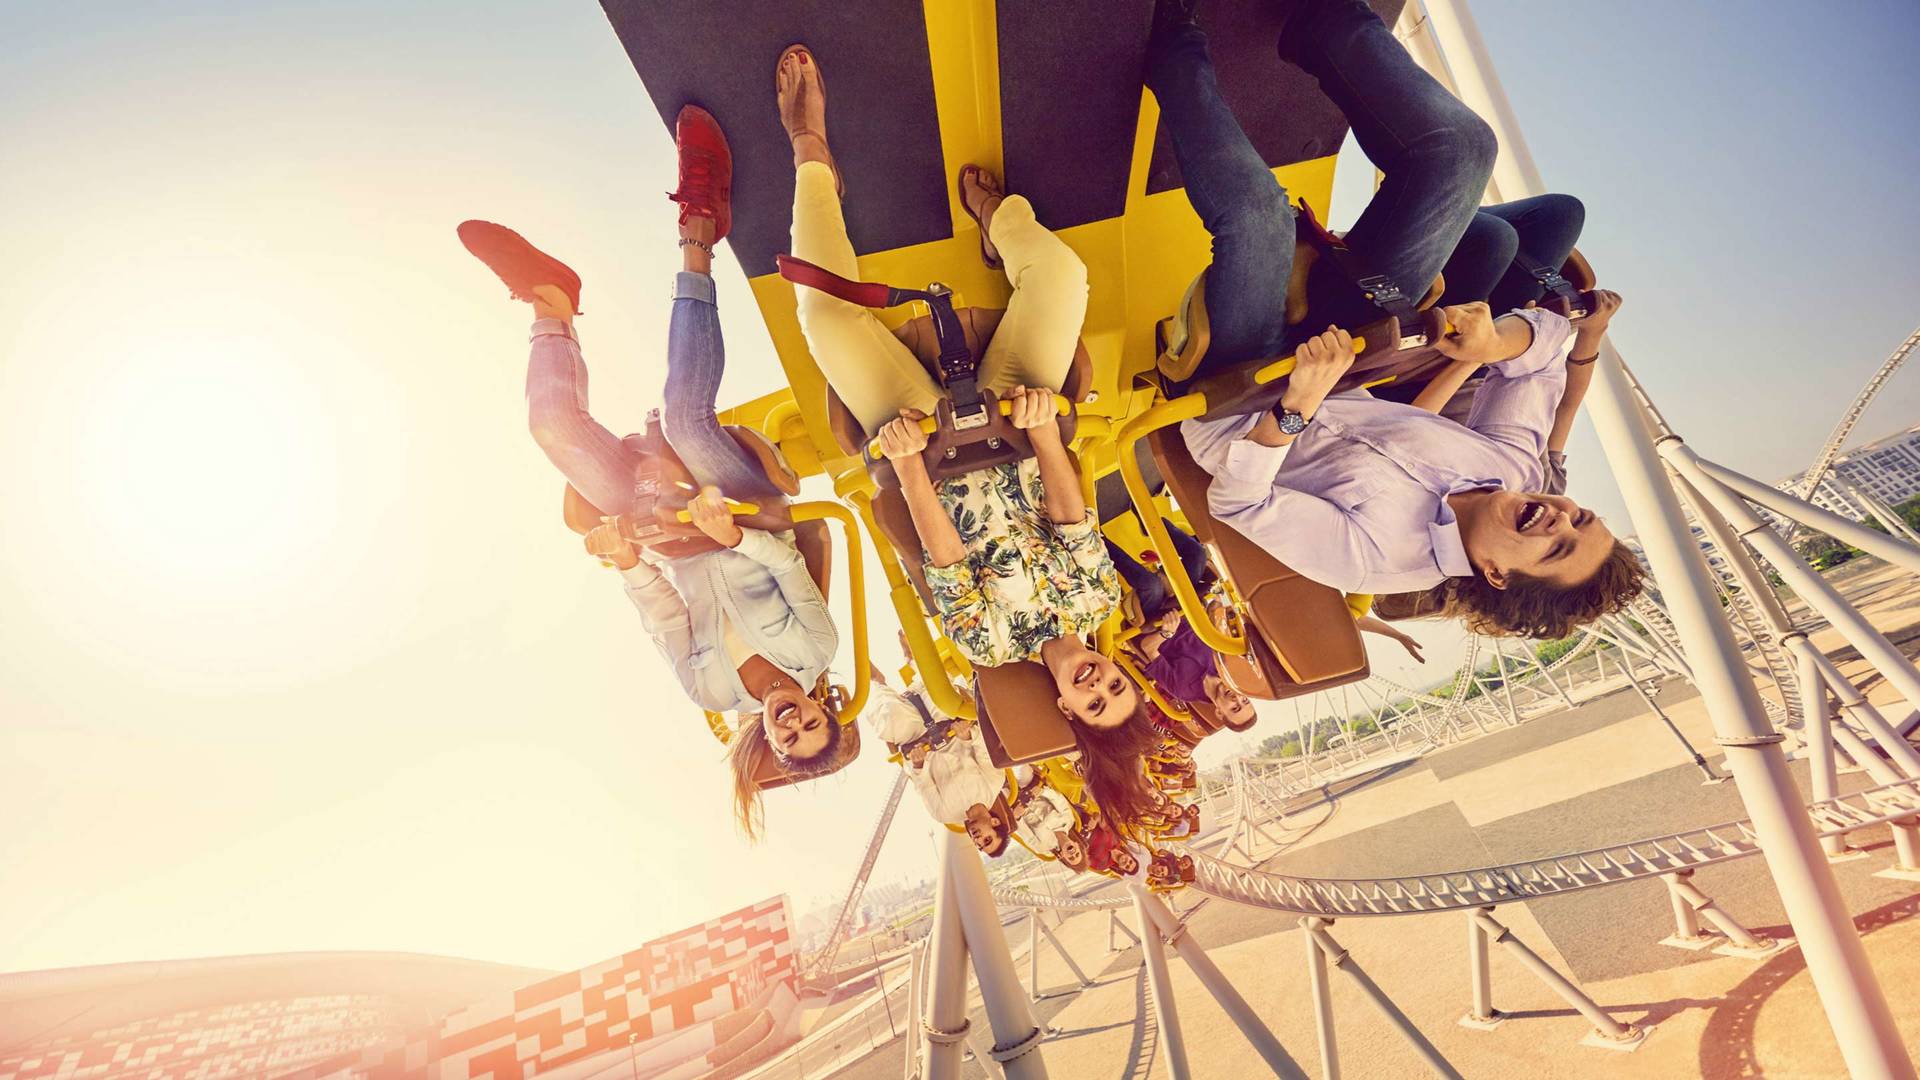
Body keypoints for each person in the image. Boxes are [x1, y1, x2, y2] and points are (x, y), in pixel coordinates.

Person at [1147, 2, 1644, 639]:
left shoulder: (1382, 564)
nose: (1561, 518)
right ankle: (1326, 25)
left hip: (1244, 396)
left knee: (1258, 219)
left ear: (1496, 575)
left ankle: (1174, 50)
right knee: (1464, 150)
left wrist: (1293, 409)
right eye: (1583, 519)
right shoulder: (1516, 472)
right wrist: (1495, 344)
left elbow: (1241, 502)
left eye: (1557, 549)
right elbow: (1545, 356)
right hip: (1341, 352)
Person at [456, 105, 841, 839]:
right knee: (686, 416)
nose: (795, 722)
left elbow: (662, 614)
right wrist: (729, 531)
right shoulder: (815, 649)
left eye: (788, 736)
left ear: (772, 737)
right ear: (825, 707)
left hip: (671, 537)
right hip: (743, 514)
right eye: (812, 724)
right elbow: (788, 567)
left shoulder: (709, 689)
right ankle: (700, 229)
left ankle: (551, 304)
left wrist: (631, 561)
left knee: (551, 430)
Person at [774, 45, 1135, 728]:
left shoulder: (987, 647)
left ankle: (810, 158)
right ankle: (1001, 222)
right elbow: (1070, 517)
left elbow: (944, 559)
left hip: (930, 448)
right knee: (1063, 278)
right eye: (1116, 689)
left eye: (1092, 704)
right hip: (1015, 424)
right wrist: (1036, 425)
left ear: (1066, 705)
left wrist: (908, 462)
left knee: (822, 317)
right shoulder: (1097, 603)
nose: (1098, 686)